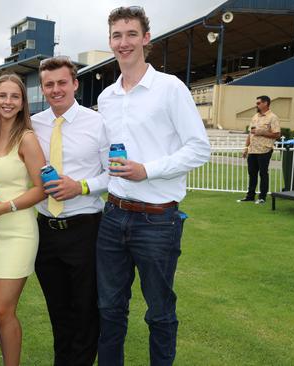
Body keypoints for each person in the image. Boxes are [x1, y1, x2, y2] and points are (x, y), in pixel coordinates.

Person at [96, 7, 211, 366]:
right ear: (110, 42)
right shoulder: (106, 98)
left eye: (131, 34)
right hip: (113, 216)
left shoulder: (170, 88)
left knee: (160, 312)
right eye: (117, 35)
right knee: (110, 310)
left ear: (146, 38)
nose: (124, 42)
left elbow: (199, 148)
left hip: (157, 221)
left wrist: (148, 170)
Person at [31, 56, 109, 366]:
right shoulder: (33, 124)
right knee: (58, 310)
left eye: (62, 82)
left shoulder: (98, 123)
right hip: (45, 231)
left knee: (85, 310)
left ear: (75, 84)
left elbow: (113, 174)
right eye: (49, 84)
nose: (55, 89)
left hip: (84, 229)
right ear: (42, 88)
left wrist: (82, 187)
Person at [0, 73, 46, 366]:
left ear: (22, 103)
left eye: (14, 97)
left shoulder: (27, 138)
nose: (8, 102)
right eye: (2, 96)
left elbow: (43, 189)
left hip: (17, 233)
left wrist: (6, 207)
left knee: (4, 308)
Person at [237, 95, 280, 204]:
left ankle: (262, 197)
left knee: (263, 173)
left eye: (258, 103)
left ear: (265, 103)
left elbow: (277, 134)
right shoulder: (255, 116)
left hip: (264, 150)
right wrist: (246, 147)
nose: (257, 105)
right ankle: (250, 196)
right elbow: (250, 134)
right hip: (252, 150)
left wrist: (263, 133)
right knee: (252, 173)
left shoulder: (273, 117)